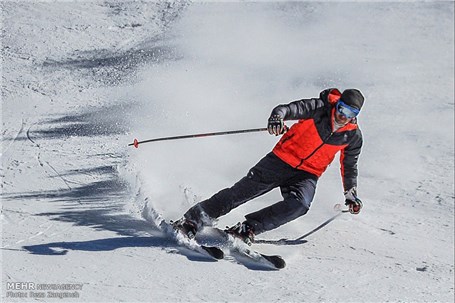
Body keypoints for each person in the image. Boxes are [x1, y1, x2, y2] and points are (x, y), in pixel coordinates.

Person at [174, 88, 364, 244]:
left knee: (300, 205)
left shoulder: (352, 136)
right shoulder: (319, 108)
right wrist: (276, 118)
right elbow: (287, 109)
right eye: (341, 108)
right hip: (280, 160)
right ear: (337, 103)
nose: (342, 115)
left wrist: (350, 193)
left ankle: (248, 228)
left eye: (350, 113)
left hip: (307, 174)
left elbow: (349, 166)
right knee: (241, 193)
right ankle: (193, 219)